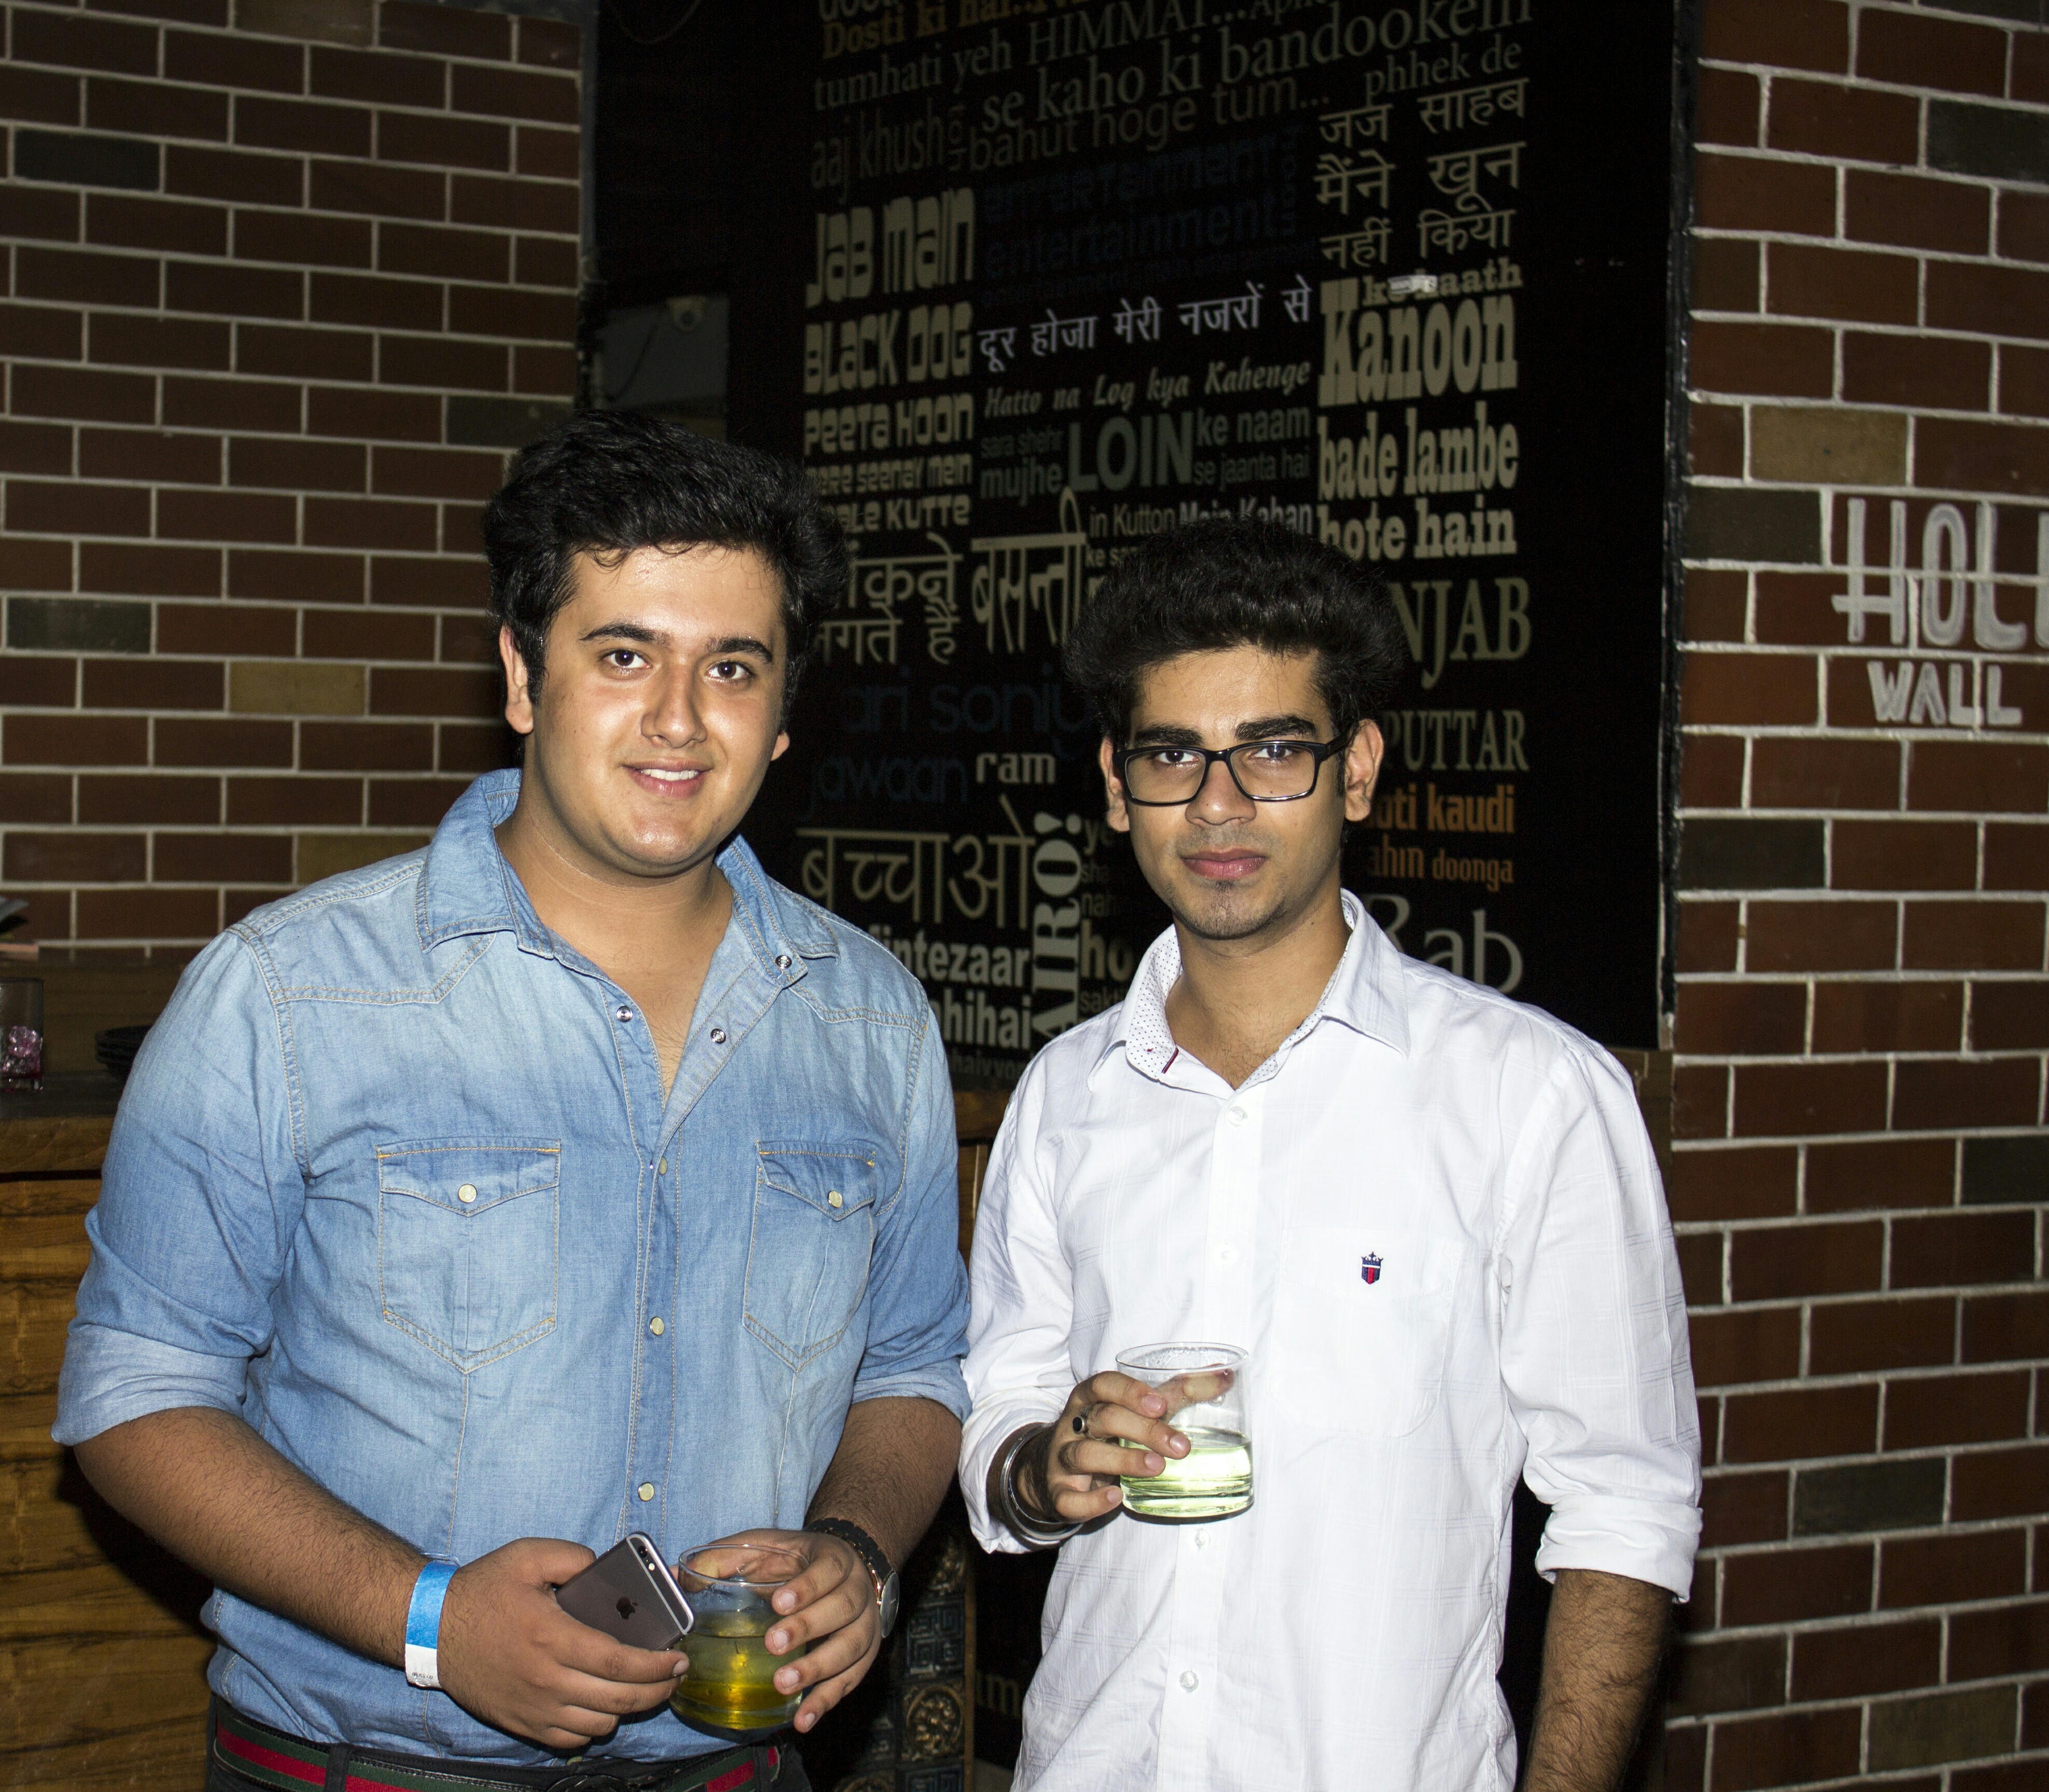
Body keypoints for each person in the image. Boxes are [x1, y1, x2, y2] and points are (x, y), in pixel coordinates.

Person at [57, 411, 970, 1792]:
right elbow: (136, 1392)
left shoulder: (870, 1019)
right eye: (624, 656)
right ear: (522, 678)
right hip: (367, 1766)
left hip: (732, 1767)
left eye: (732, 667)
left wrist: (854, 1547)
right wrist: (427, 1619)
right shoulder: (290, 993)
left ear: (785, 716)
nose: (679, 718)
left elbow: (910, 1368)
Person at [959, 520, 1700, 1791]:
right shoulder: (1065, 1096)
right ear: (1115, 785)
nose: (1219, 804)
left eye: (1272, 751)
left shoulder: (1526, 1095)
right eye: (1172, 755)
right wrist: (1046, 1463)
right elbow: (998, 1423)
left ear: (1354, 770)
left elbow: (1623, 1507)